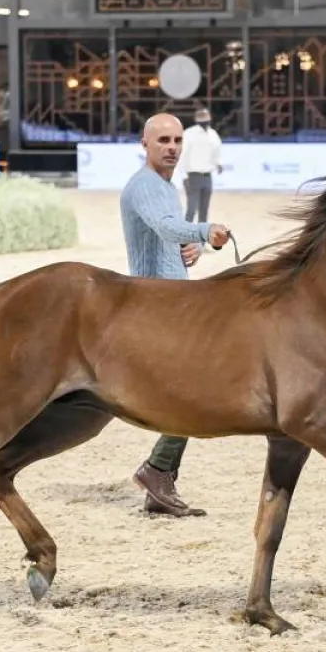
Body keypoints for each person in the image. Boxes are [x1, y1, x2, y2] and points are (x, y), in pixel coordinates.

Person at [120, 112, 231, 517]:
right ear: (144, 144)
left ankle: (159, 475)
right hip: (155, 307)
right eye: (163, 140)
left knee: (196, 387)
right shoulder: (145, 186)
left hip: (173, 302)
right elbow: (167, 227)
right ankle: (157, 470)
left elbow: (171, 238)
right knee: (195, 388)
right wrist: (203, 231)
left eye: (177, 140)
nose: (171, 148)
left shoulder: (167, 186)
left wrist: (194, 248)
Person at [178, 106, 222, 223]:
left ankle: (201, 234)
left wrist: (218, 163)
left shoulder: (213, 134)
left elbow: (216, 151)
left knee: (204, 211)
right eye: (202, 116)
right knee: (191, 209)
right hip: (193, 176)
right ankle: (186, 233)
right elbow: (182, 155)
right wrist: (184, 176)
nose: (205, 119)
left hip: (207, 176)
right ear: (197, 119)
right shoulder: (189, 134)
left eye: (206, 116)